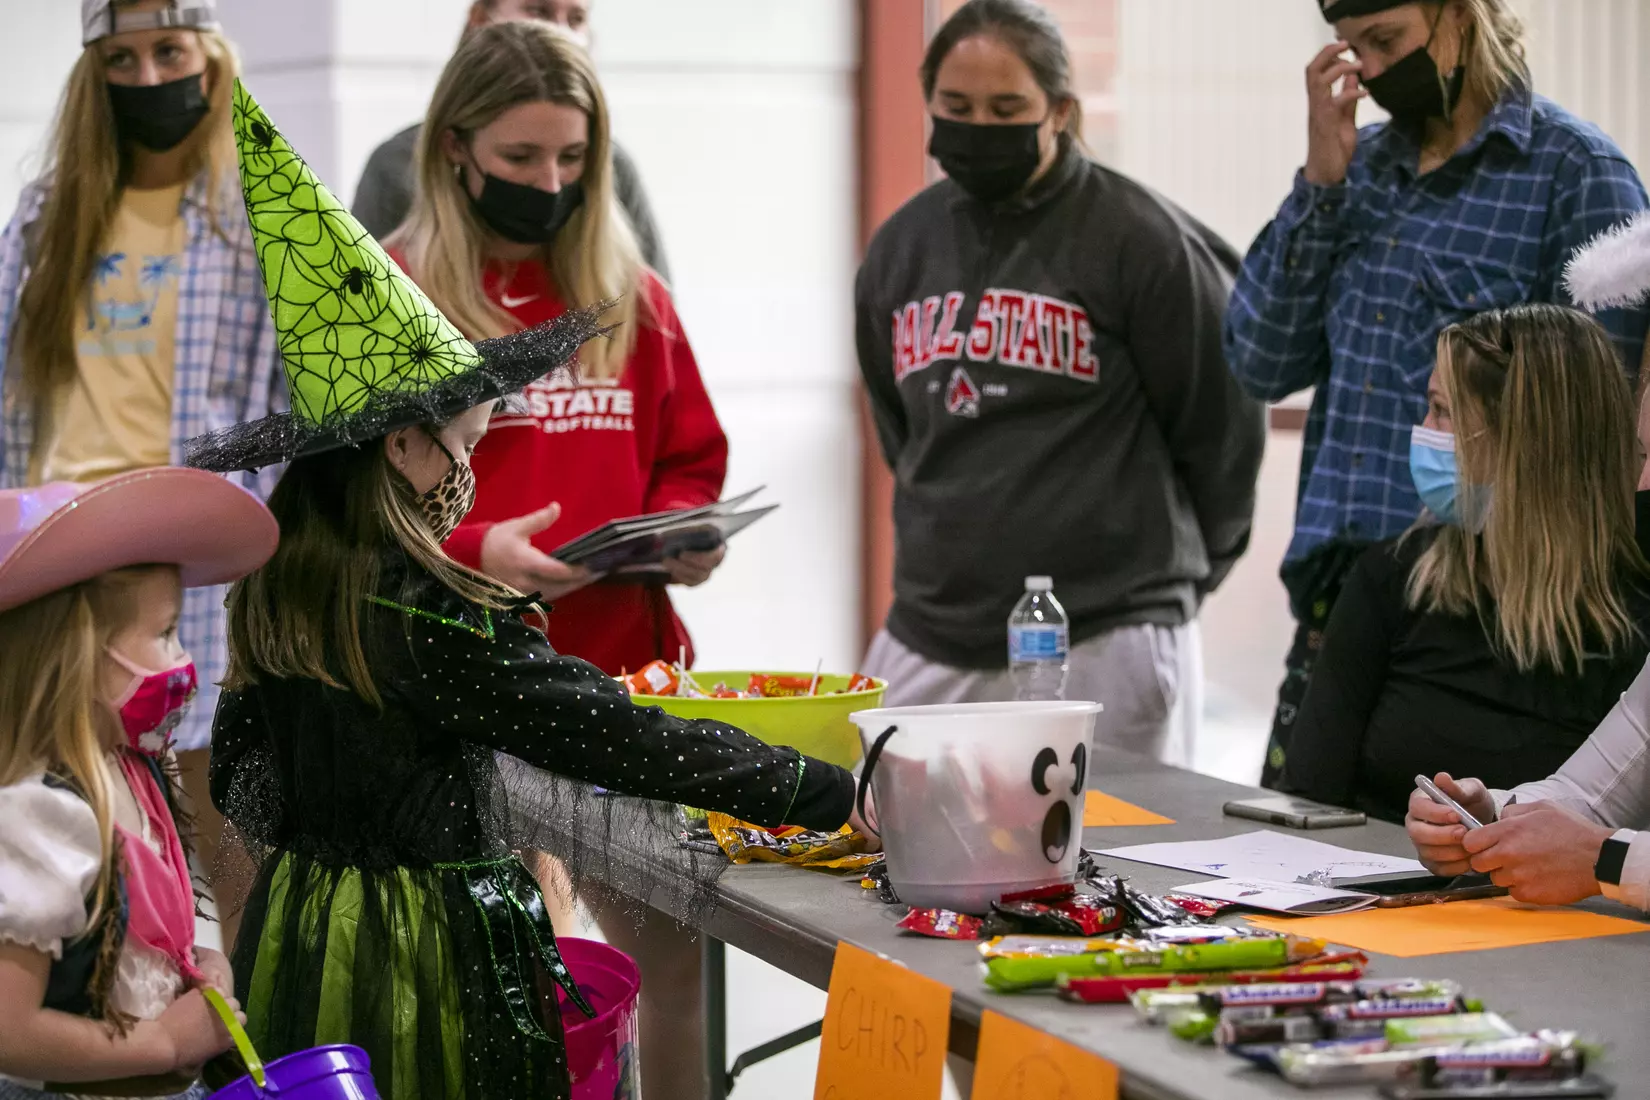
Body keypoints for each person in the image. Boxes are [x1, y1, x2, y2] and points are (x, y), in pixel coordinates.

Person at [191, 83, 867, 1100]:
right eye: (463, 444)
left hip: (305, 927)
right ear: (401, 444)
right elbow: (613, 733)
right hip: (423, 954)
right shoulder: (432, 615)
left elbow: (243, 771)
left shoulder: (281, 593)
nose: (468, 469)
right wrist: (825, 790)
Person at [384, 23, 727, 1097]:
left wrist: (681, 534)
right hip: (463, 690)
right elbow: (343, 516)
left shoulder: (630, 291)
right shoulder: (394, 292)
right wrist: (478, 549)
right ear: (454, 147)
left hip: (622, 682)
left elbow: (689, 457)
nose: (550, 183)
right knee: (504, 984)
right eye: (522, 157)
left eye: (573, 158)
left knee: (669, 968)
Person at [1226, 0, 1650, 790]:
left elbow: (1603, 428)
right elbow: (1258, 360)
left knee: (1461, 846)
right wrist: (1319, 186)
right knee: (1289, 839)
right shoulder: (1354, 170)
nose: (1369, 71)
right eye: (1351, 49)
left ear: (1460, 16)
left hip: (1502, 613)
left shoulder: (1576, 175)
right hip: (1340, 597)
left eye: (1385, 40)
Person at [856, 0, 1264, 765]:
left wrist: (1171, 583)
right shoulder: (901, 246)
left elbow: (1223, 434)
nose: (979, 126)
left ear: (1061, 112)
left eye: (1006, 109)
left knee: (1112, 837)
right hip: (935, 627)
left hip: (1108, 632)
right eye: (957, 108)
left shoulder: (1144, 240)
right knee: (886, 823)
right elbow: (899, 430)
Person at [0, 0, 286, 947]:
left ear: (211, 54)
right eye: (120, 59)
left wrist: (246, 526)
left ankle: (220, 1016)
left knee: (203, 812)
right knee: (48, 807)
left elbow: (295, 404)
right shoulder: (49, 210)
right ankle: (85, 1015)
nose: (149, 77)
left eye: (170, 50)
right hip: (51, 549)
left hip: (184, 559)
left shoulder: (260, 214)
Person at [1282, 304, 1650, 823]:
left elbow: (1597, 815)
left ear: (1521, 439)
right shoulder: (1394, 578)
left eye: (1442, 411)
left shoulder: (1633, 623)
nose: (1424, 430)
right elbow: (1307, 797)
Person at [0, 468, 276, 1100]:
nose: (184, 660)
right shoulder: (40, 816)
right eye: (164, 634)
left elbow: (137, 943)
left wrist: (199, 966)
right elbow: (8, 1029)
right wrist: (166, 1044)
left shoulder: (139, 767)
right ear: (76, 658)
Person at [351, 0, 669, 279]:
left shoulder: (613, 168)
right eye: (538, 11)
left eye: (576, 19)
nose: (562, 33)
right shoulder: (398, 167)